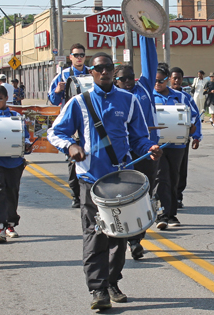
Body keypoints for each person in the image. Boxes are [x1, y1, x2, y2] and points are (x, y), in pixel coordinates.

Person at [47, 52, 162, 310]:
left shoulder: (129, 100)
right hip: (91, 178)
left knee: (119, 234)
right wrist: (70, 146)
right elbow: (55, 131)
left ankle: (112, 281)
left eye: (109, 67)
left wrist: (150, 148)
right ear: (92, 72)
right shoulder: (79, 102)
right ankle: (98, 289)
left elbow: (139, 138)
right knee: (95, 234)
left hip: (120, 179)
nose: (105, 72)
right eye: (99, 68)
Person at [113, 35, 158, 260]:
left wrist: (145, 34)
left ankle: (136, 240)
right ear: (116, 81)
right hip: (122, 156)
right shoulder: (114, 98)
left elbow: (150, 62)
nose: (129, 82)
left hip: (145, 152)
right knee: (124, 198)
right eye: (124, 79)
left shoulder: (144, 89)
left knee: (142, 198)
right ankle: (126, 239)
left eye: (131, 78)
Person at [0, 85, 32, 243]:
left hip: (14, 162)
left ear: (6, 98)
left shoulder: (16, 116)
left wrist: (27, 145)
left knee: (12, 192)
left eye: (0, 98)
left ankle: (10, 224)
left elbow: (25, 137)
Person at [153, 64, 198, 229]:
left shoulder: (181, 96)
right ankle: (162, 214)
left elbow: (193, 115)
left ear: (167, 79)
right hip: (156, 145)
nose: (158, 83)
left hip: (177, 145)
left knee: (173, 178)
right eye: (155, 80)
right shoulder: (148, 96)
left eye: (161, 80)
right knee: (161, 177)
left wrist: (194, 130)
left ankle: (172, 215)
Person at [48, 43, 89, 209]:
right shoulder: (62, 75)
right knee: (74, 159)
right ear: (70, 57)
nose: (79, 58)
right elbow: (53, 100)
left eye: (81, 54)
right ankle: (76, 194)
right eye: (76, 55)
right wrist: (58, 91)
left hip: (89, 120)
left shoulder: (92, 73)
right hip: (71, 121)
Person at [169, 66, 202, 209]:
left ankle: (177, 196)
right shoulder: (158, 95)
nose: (176, 80)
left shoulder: (186, 98)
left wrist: (196, 137)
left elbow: (195, 118)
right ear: (169, 79)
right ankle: (162, 198)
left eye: (179, 78)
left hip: (181, 140)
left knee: (180, 170)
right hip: (162, 140)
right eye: (174, 78)